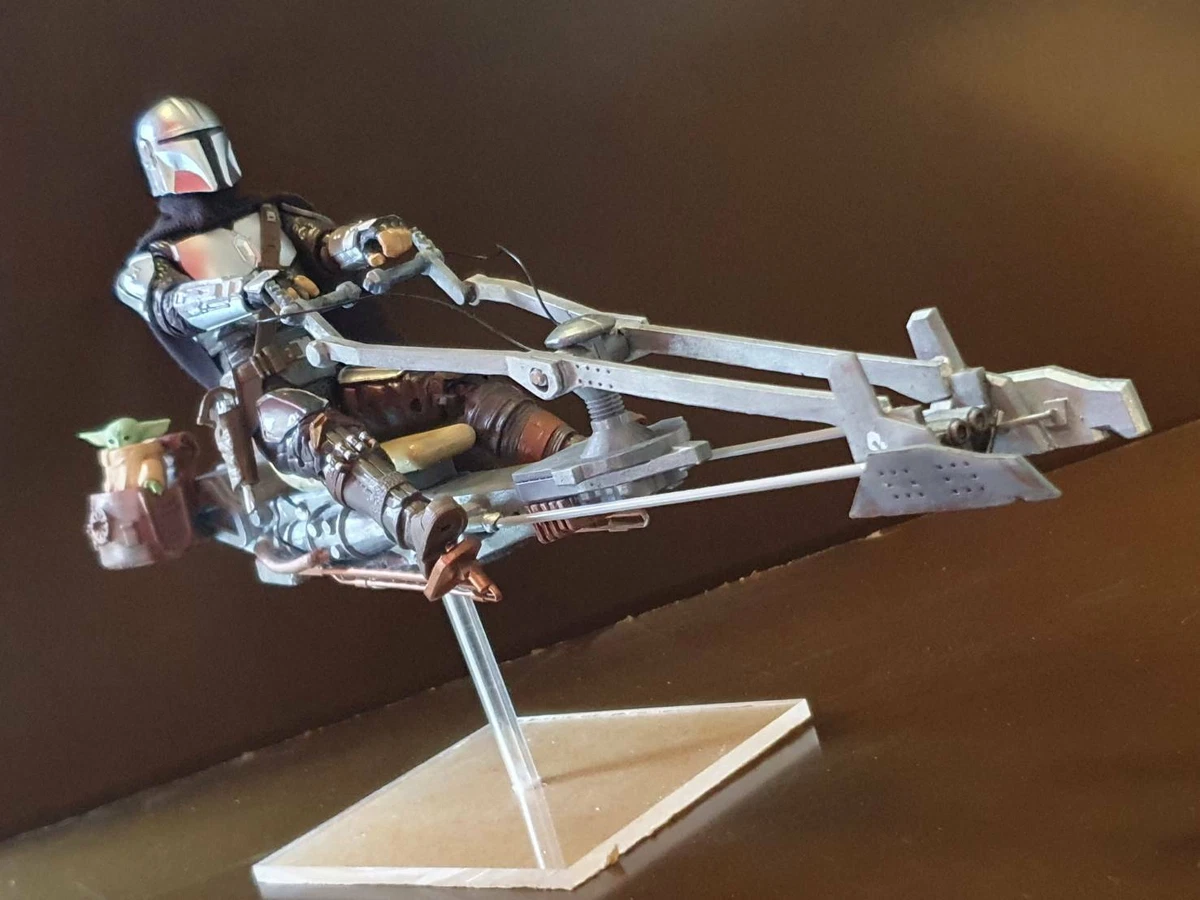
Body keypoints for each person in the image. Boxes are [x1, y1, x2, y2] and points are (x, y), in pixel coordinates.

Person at [114, 97, 577, 570]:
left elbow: (326, 246)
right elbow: (175, 305)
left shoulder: (273, 216)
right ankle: (414, 522)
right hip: (269, 402)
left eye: (208, 141)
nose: (203, 155)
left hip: (339, 369)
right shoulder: (152, 264)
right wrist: (245, 292)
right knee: (321, 431)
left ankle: (574, 455)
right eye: (188, 145)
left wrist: (368, 239)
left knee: (453, 386)